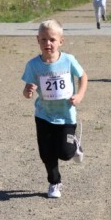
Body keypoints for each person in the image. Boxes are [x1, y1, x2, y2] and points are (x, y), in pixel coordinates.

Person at [21, 19, 88, 199]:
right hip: (43, 115)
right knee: (46, 153)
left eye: (51, 39)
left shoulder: (68, 60)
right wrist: (28, 91)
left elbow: (83, 77)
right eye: (43, 40)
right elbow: (28, 90)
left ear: (61, 41)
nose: (47, 43)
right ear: (37, 40)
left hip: (66, 116)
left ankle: (75, 146)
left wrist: (79, 95)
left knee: (65, 153)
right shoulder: (33, 65)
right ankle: (54, 182)